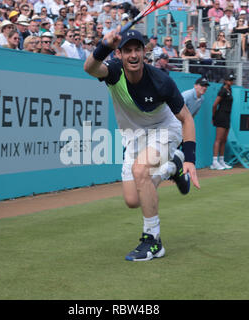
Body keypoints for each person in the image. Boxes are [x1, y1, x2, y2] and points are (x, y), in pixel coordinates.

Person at [84, 28, 200, 262]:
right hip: (134, 137)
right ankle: (170, 168)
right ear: (120, 54)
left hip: (164, 130)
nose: (133, 55)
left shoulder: (161, 81)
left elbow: (186, 118)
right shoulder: (114, 72)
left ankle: (153, 241)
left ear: (145, 52)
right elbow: (90, 68)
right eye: (128, 50)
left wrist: (190, 158)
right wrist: (103, 46)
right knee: (133, 200)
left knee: (140, 171)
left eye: (138, 49)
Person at [211, 73, 235, 170]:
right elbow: (214, 105)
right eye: (230, 80)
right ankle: (214, 162)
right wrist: (214, 117)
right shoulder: (222, 91)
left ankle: (221, 160)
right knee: (218, 139)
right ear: (225, 81)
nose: (231, 82)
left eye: (232, 80)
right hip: (221, 116)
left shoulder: (230, 90)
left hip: (227, 116)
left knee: (224, 140)